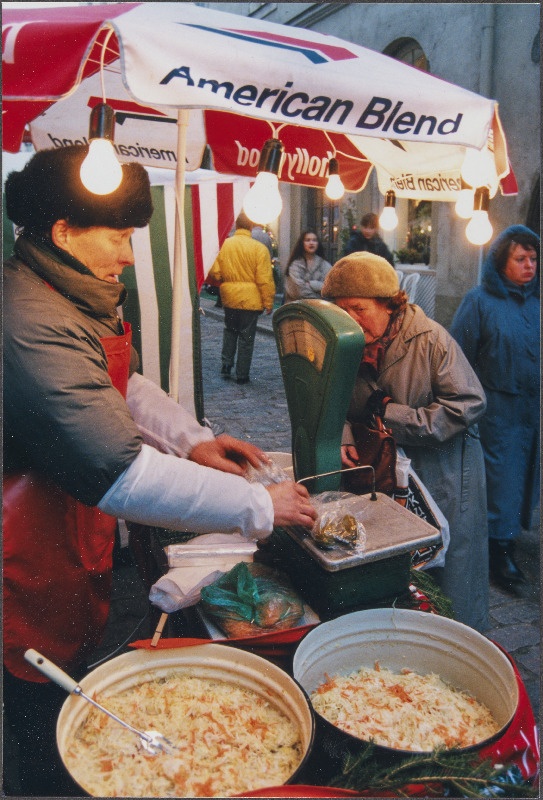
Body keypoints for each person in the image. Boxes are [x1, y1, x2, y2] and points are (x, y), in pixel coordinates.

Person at [3, 145, 316, 796]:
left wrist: (190, 439)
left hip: (71, 520)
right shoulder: (27, 318)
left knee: (79, 665)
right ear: (64, 232)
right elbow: (118, 473)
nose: (126, 253)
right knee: (41, 706)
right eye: (118, 236)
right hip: (24, 539)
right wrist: (261, 507)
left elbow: (119, 380)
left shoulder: (71, 290)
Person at [321, 252, 489, 632]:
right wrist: (346, 432)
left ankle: (457, 645)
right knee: (398, 560)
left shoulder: (431, 340)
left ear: (389, 305)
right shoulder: (348, 343)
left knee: (449, 565)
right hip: (387, 472)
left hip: (444, 473)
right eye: (341, 310)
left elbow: (469, 404)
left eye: (359, 308)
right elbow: (339, 400)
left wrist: (390, 414)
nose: (350, 319)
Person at [450, 225, 540, 596]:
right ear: (501, 262)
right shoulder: (479, 301)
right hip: (495, 411)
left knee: (524, 480)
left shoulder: (536, 303)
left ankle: (509, 537)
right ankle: (498, 551)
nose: (529, 266)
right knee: (500, 480)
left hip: (531, 411)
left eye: (534, 259)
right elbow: (457, 356)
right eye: (521, 259)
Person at [208, 211, 275, 384]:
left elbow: (215, 272)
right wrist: (268, 302)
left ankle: (226, 364)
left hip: (229, 298)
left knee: (230, 331)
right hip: (251, 301)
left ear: (236, 225)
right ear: (251, 226)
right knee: (247, 337)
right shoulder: (259, 249)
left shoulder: (224, 245)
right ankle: (242, 374)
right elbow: (264, 279)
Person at [283, 230, 332, 303]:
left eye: (314, 240)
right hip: (297, 308)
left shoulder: (325, 265)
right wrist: (319, 296)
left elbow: (330, 288)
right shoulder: (295, 265)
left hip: (319, 309)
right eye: (307, 240)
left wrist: (313, 284)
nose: (311, 243)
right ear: (302, 243)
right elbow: (298, 291)